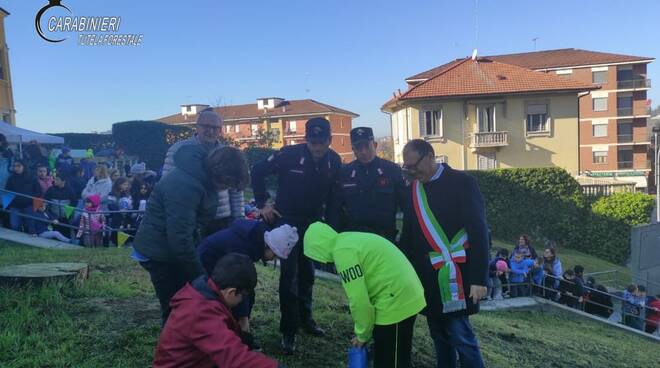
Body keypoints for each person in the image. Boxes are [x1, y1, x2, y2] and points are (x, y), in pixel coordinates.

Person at [250, 117, 341, 354]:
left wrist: (331, 227)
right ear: (306, 140)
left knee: (308, 274)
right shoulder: (288, 155)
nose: (317, 148)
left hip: (313, 226)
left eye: (322, 142)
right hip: (287, 221)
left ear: (330, 141)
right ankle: (288, 330)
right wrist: (263, 203)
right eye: (313, 142)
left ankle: (305, 318)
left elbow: (333, 198)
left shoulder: (334, 160)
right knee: (288, 278)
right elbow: (257, 172)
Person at [132, 145, 250, 324]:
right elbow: (180, 238)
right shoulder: (185, 185)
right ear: (218, 173)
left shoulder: (203, 178)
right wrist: (201, 279)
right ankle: (172, 347)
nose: (225, 188)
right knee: (176, 305)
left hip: (173, 248)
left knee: (186, 302)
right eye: (226, 183)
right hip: (160, 252)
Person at [399, 139, 489, 368]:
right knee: (439, 337)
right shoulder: (413, 191)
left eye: (413, 165)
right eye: (406, 167)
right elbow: (408, 235)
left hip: (457, 277)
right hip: (427, 277)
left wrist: (479, 279)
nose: (411, 171)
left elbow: (479, 232)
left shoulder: (462, 182)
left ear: (430, 155)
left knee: (462, 337)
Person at [304, 222, 426, 368]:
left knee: (390, 361)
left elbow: (359, 301)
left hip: (396, 299)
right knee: (394, 355)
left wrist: (362, 335)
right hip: (403, 292)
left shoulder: (343, 252)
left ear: (318, 248)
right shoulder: (346, 240)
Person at [152, 253, 283, 368]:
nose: (242, 301)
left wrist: (243, 337)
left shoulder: (205, 291)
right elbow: (235, 359)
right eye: (243, 296)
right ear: (231, 292)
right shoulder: (200, 312)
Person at [197, 220, 299, 350]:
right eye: (275, 255)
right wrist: (244, 321)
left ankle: (236, 331)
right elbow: (239, 284)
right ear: (270, 246)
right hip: (206, 264)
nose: (274, 259)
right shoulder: (244, 246)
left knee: (246, 293)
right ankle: (231, 334)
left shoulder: (255, 241)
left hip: (220, 263)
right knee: (227, 297)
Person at [162, 108, 244, 234]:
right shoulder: (178, 149)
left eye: (215, 127)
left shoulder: (227, 153)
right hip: (192, 217)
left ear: (220, 130)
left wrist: (238, 219)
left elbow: (236, 189)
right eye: (206, 126)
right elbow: (167, 186)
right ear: (197, 127)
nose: (210, 131)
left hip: (221, 219)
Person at [326, 127, 407, 242]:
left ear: (374, 145)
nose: (363, 152)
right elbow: (334, 210)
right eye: (359, 147)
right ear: (353, 149)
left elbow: (406, 206)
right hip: (354, 239)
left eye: (367, 146)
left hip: (385, 239)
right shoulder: (345, 173)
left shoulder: (392, 170)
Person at [5, 160, 41, 233]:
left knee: (29, 225)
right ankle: (18, 239)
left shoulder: (32, 178)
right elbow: (7, 192)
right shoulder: (11, 178)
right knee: (14, 225)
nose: (16, 168)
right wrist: (8, 205)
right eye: (14, 166)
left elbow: (38, 192)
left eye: (18, 166)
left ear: (24, 167)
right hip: (15, 206)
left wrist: (29, 198)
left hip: (28, 205)